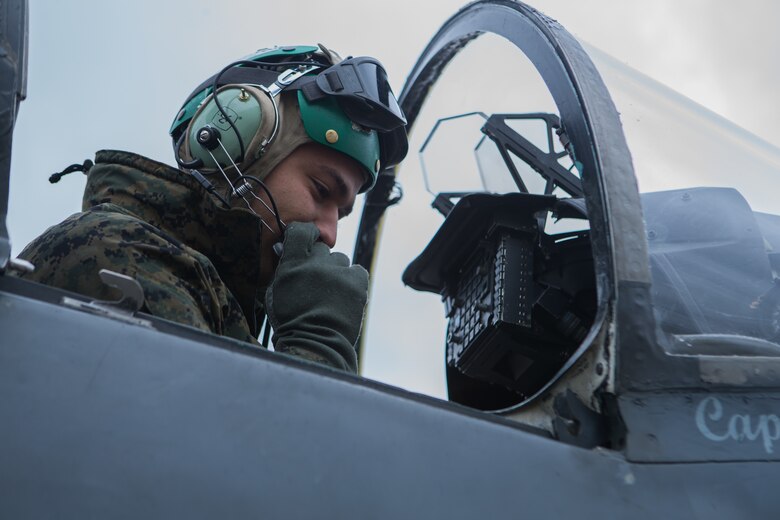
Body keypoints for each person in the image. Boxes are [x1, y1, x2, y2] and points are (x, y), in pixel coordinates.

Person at [11, 44, 408, 373]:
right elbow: (235, 459)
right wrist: (319, 344)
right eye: (321, 190)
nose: (330, 233)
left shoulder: (212, 296)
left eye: (342, 213)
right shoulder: (118, 254)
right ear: (235, 147)